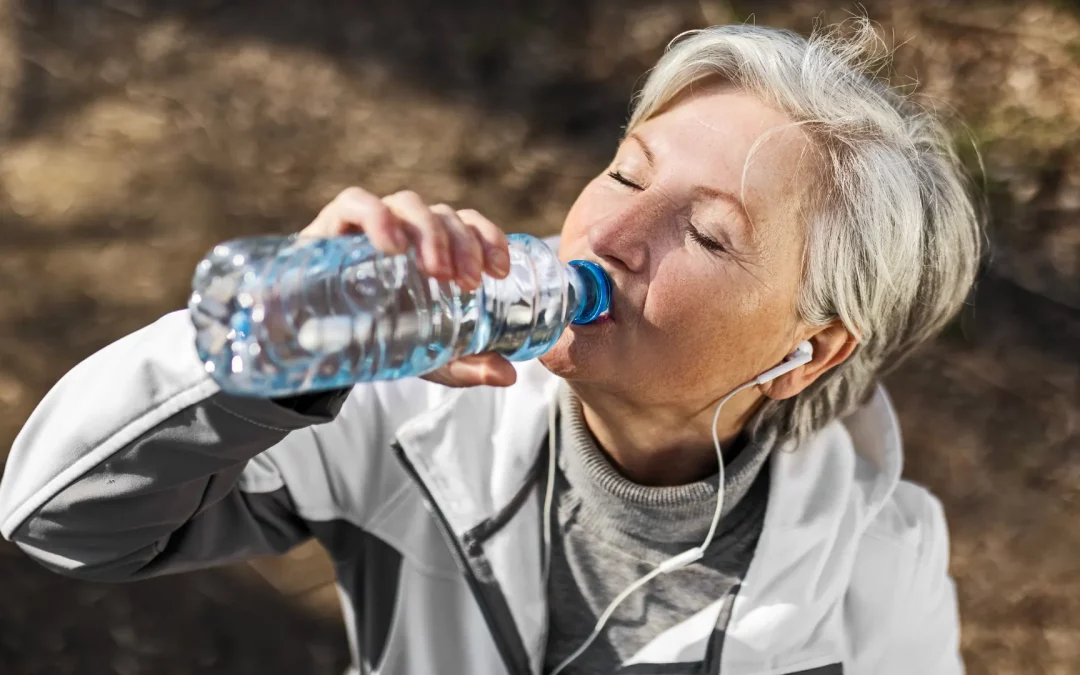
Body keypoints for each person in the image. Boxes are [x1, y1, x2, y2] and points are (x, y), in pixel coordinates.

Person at [0, 20, 980, 675]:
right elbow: (59, 522)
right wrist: (263, 359)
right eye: (627, 174)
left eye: (710, 233)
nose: (609, 239)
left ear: (809, 352)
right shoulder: (409, 410)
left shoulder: (880, 570)